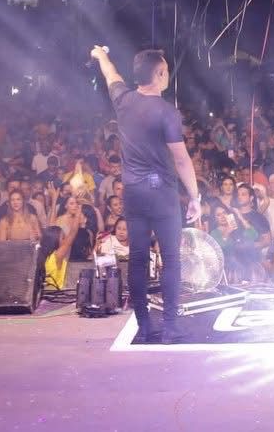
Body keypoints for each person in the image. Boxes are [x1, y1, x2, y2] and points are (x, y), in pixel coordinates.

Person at [92, 46, 200, 345]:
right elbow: (181, 159)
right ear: (160, 74)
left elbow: (110, 73)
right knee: (171, 259)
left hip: (133, 193)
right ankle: (169, 327)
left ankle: (143, 325)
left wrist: (100, 54)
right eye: (165, 70)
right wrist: (195, 197)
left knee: (138, 259)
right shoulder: (167, 112)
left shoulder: (123, 100)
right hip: (162, 194)